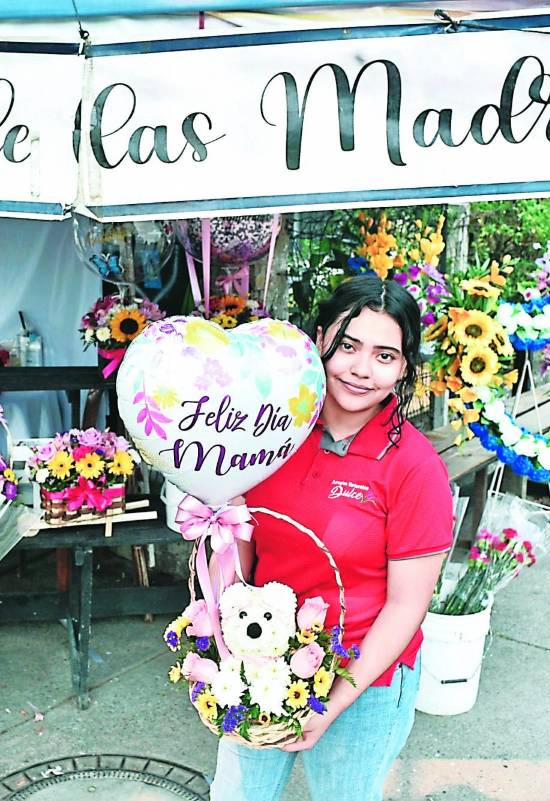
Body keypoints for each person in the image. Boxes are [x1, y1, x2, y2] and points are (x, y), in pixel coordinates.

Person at [210, 273, 454, 801]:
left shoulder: (415, 468)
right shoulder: (272, 433)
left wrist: (334, 701)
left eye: (385, 356)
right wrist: (216, 641)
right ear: (319, 339)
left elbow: (406, 605)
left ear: (405, 366)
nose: (362, 369)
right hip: (263, 659)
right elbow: (243, 558)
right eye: (348, 346)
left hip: (363, 679)